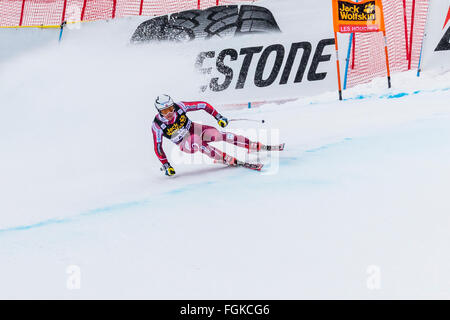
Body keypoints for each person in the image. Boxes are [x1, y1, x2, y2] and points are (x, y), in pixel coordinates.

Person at [151, 94, 275, 176]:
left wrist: (218, 116)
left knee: (217, 134)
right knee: (195, 140)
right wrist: (166, 165)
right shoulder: (157, 125)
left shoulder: (180, 107)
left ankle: (250, 145)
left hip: (194, 128)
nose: (170, 113)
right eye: (165, 111)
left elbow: (203, 105)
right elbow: (158, 148)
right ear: (159, 111)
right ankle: (224, 158)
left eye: (171, 108)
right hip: (184, 142)